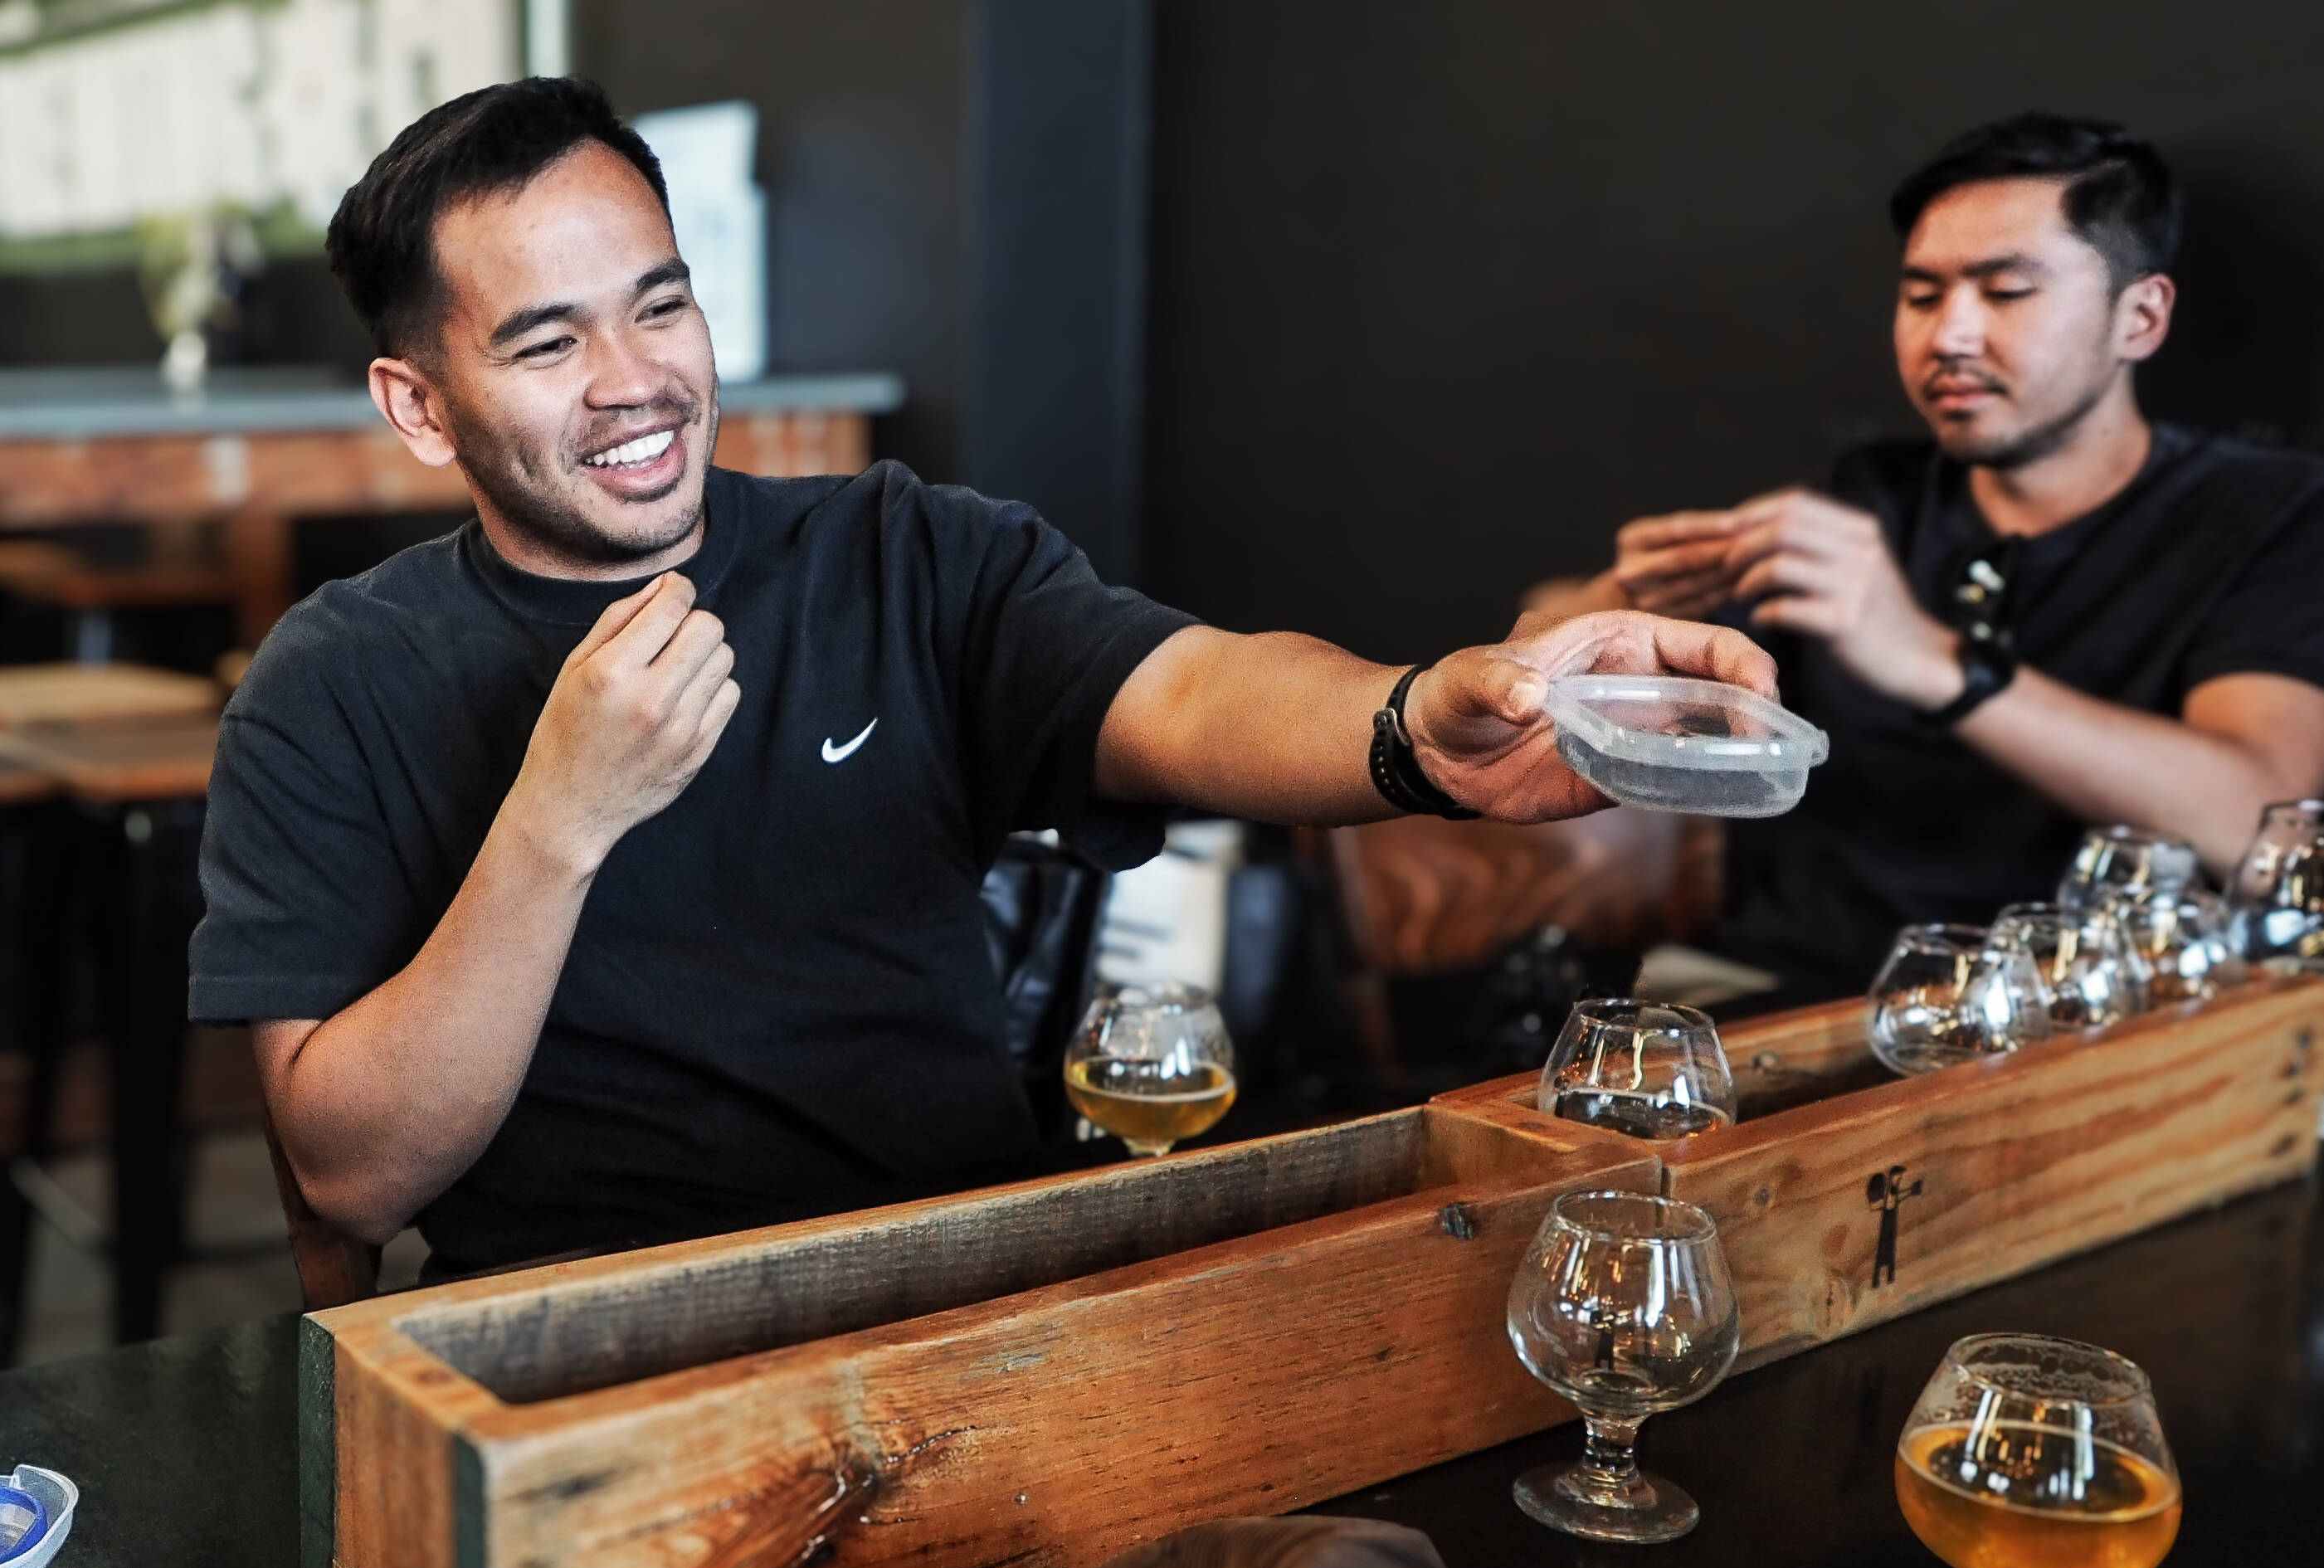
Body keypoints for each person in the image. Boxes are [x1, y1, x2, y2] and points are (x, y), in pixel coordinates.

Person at [189, 78, 1773, 1275]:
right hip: (584, 1342)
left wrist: (1414, 720)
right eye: (547, 345)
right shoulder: (335, 682)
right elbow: (351, 1176)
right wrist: (560, 818)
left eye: (660, 304)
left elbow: (1191, 687)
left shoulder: (901, 550)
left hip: (962, 1283)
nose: (635, 381)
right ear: (420, 405)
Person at [1532, 113, 2324, 1003]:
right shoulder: (1864, 495)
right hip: (1773, 992)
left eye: (2005, 292)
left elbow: (2255, 820)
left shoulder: (2267, 513)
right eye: (1920, 296)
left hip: (2068, 1016)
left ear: (2138, 318)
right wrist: (1618, 598)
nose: (1947, 335)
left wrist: (1935, 664)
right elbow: (1556, 677)